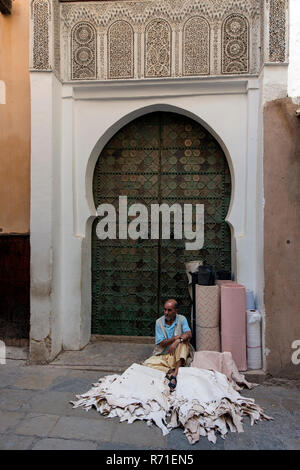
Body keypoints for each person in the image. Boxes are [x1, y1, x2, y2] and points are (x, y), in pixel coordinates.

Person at [143, 299, 194, 391]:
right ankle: (171, 372)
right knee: (146, 364)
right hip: (164, 356)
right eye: (165, 310)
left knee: (183, 344)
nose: (166, 312)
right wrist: (174, 339)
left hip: (177, 355)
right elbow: (161, 343)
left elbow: (189, 334)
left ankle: (174, 375)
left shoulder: (182, 319)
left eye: (169, 310)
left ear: (176, 311)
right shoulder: (159, 322)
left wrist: (178, 341)